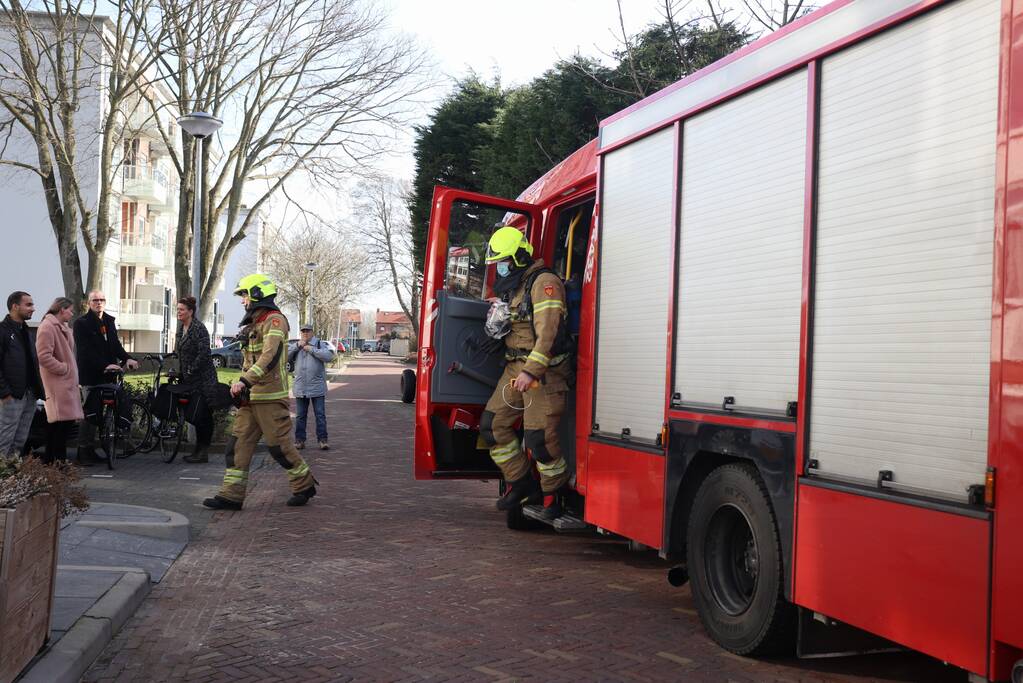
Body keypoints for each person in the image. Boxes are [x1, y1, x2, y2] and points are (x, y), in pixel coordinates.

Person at [479, 226, 572, 520]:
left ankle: (553, 496)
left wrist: (531, 372)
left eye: (503, 261)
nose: (500, 268)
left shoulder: (544, 283)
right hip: (514, 368)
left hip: (542, 375)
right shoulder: (517, 285)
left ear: (519, 256)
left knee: (539, 440)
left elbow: (548, 335)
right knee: (492, 426)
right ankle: (522, 483)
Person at [203, 274, 318, 510]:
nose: (242, 301)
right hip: (250, 399)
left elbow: (270, 356)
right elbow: (249, 359)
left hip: (271, 399)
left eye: (244, 295)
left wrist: (245, 380)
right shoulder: (254, 323)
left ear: (257, 295)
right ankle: (231, 496)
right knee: (237, 446)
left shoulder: (275, 321)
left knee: (279, 448)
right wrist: (242, 384)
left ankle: (304, 484)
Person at [73, 290, 138, 465]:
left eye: (102, 300)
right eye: (95, 300)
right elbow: (85, 351)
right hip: (91, 375)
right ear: (89, 303)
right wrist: (104, 365)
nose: (99, 303)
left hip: (109, 375)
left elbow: (114, 345)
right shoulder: (81, 323)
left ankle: (93, 449)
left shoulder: (109, 321)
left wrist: (127, 358)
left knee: (102, 415)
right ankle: (83, 451)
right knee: (90, 414)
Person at [35, 297, 83, 463]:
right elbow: (43, 356)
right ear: (62, 309)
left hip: (65, 384)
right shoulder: (48, 327)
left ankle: (54, 463)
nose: (72, 313)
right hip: (57, 384)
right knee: (59, 426)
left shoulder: (62, 327)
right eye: (70, 310)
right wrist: (64, 369)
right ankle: (56, 463)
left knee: (59, 426)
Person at [174, 296, 220, 464]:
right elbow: (181, 352)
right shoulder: (181, 328)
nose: (178, 312)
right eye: (177, 309)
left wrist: (191, 369)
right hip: (189, 379)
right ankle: (199, 450)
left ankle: (202, 451)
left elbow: (204, 354)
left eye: (182, 310)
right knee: (195, 415)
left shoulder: (198, 329)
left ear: (190, 312)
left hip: (203, 379)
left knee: (203, 416)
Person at [0, 291, 42, 457]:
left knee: (20, 440)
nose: (33, 308)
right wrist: (5, 393)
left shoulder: (27, 332)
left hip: (29, 395)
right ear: (15, 306)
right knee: (4, 439)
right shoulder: (3, 331)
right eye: (28, 304)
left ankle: (13, 477)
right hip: (11, 395)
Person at [288, 323, 335, 450]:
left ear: (312, 332)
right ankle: (299, 440)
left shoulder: (319, 344)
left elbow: (329, 356)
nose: (305, 333)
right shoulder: (296, 345)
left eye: (308, 331)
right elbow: (284, 357)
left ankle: (323, 440)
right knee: (300, 416)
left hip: (317, 387)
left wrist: (311, 349)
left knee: (320, 415)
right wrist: (297, 346)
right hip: (300, 387)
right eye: (303, 331)